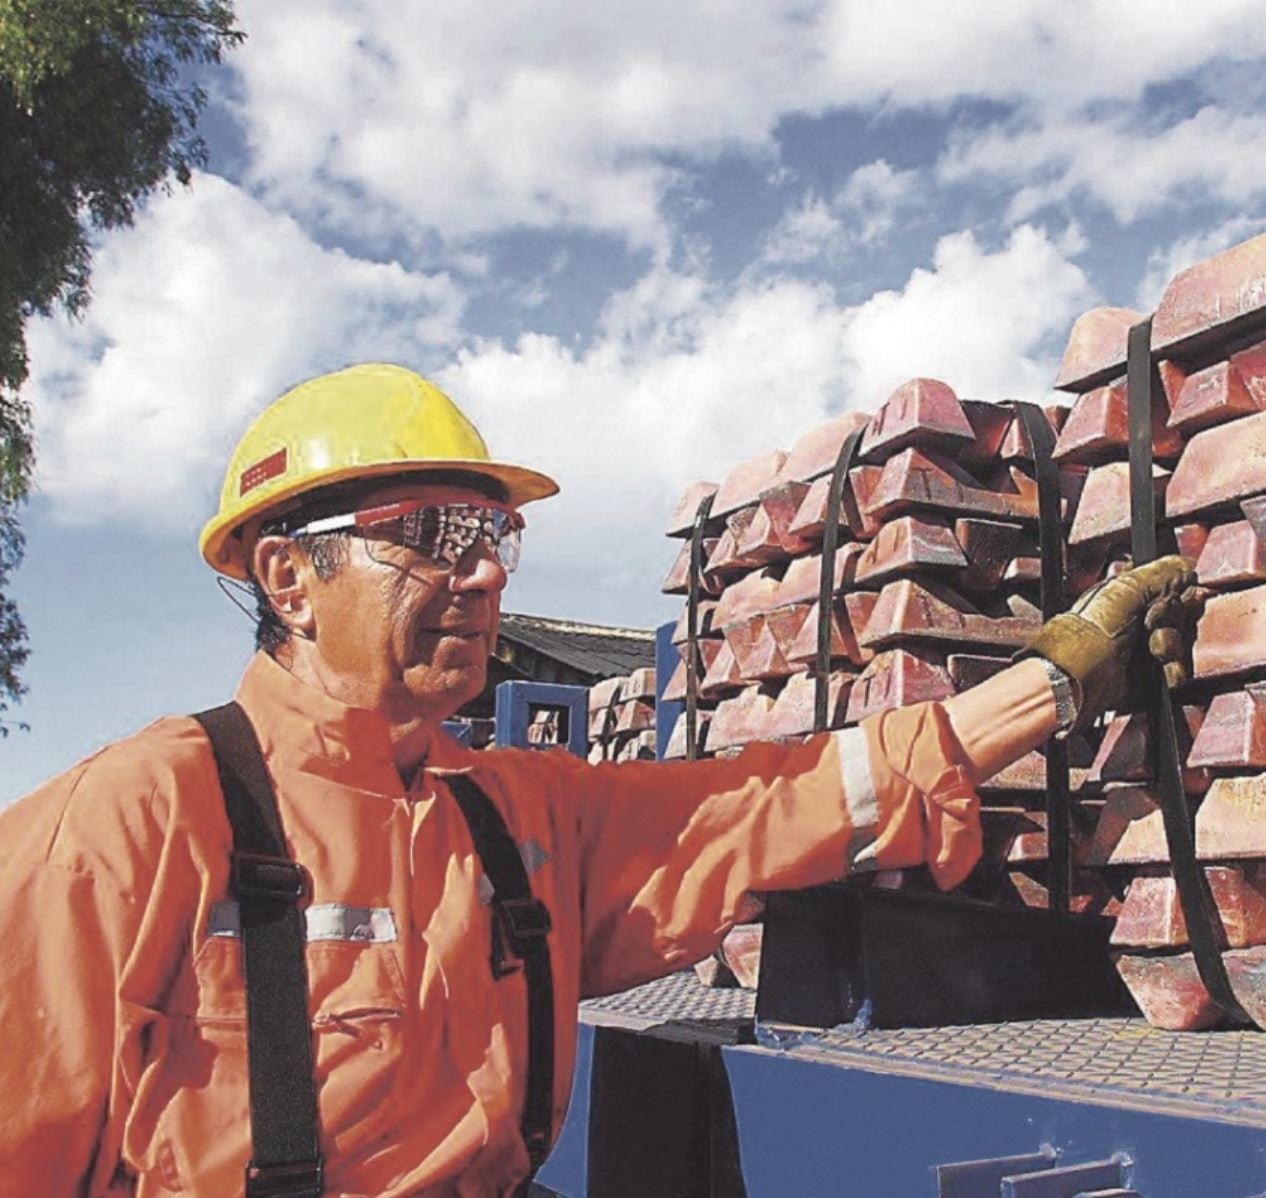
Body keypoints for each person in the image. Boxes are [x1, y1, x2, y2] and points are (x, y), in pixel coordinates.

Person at [0, 363, 1196, 1196]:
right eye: (427, 534)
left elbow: (775, 802)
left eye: (492, 539)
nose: (477, 577)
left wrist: (1059, 682)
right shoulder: (132, 824)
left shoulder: (517, 815)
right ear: (287, 575)